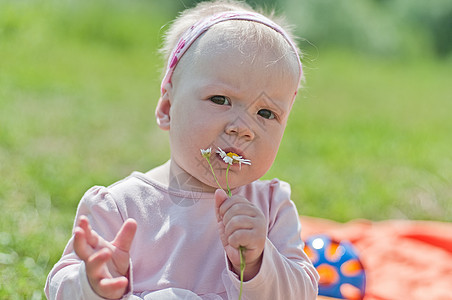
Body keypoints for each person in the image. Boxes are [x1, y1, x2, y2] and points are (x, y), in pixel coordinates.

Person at [45, 0, 319, 299]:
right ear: (167, 108)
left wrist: (258, 262)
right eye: (220, 99)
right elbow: (59, 288)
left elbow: (303, 293)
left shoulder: (270, 208)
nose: (242, 127)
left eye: (266, 113)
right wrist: (93, 282)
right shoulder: (120, 207)